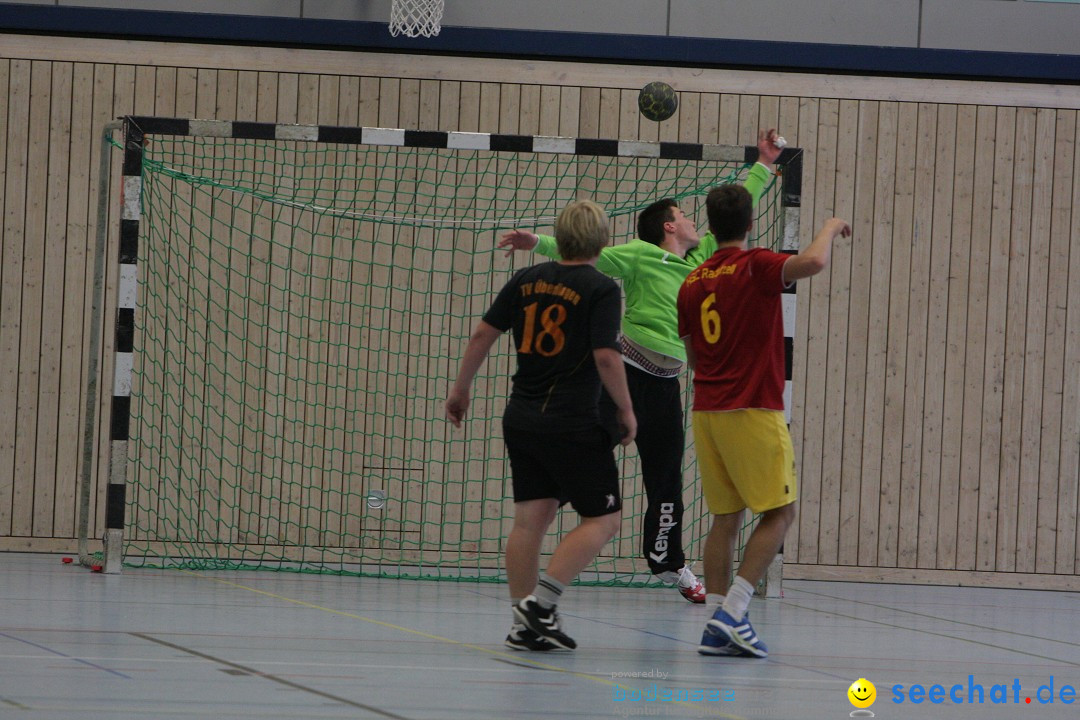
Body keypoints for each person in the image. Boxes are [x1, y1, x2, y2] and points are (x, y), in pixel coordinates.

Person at [497, 129, 784, 603]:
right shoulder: (638, 255)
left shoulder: (701, 260)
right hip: (626, 377)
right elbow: (590, 255)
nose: (693, 220)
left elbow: (736, 209)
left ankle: (669, 562)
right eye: (683, 215)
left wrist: (764, 164)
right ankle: (548, 511)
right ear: (668, 226)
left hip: (668, 384)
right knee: (586, 457)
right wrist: (536, 242)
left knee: (666, 478)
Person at [446, 199, 637, 651]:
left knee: (531, 520)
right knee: (606, 518)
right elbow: (607, 355)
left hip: (522, 418)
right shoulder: (601, 288)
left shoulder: (525, 279)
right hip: (572, 420)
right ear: (602, 240)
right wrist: (627, 409)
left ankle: (521, 622)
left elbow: (482, 334)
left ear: (561, 235)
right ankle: (542, 603)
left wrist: (460, 389)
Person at [677, 183, 850, 657]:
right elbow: (813, 263)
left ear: (710, 227)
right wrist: (831, 226)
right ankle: (733, 610)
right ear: (751, 223)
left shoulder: (690, 283)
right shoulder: (756, 265)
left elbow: (692, 355)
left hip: (707, 411)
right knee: (781, 511)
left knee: (725, 518)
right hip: (751, 407)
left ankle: (717, 624)